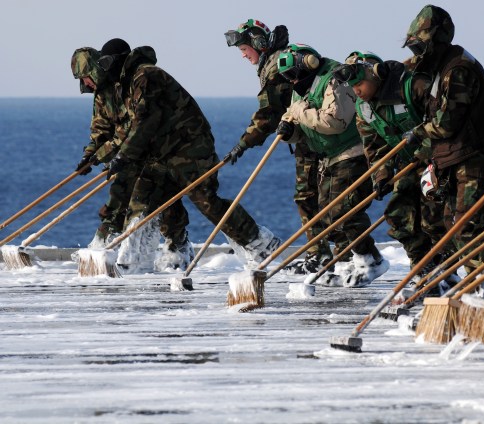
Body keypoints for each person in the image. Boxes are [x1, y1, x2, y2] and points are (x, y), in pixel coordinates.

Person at [96, 38, 281, 268]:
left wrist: (124, 156)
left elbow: (145, 122)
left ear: (118, 60)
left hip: (190, 147)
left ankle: (259, 243)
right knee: (147, 195)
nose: (105, 70)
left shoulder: (146, 76)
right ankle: (150, 256)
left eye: (105, 63)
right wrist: (116, 154)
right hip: (164, 151)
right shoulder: (129, 82)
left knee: (206, 201)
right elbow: (133, 125)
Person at [401, 5, 484, 296]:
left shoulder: (457, 68)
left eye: (419, 46)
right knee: (450, 221)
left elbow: (446, 124)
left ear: (436, 40)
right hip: (456, 155)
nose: (416, 54)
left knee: (468, 224)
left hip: (477, 156)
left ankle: (482, 286)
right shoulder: (443, 65)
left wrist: (419, 133)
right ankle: (482, 274)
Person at [332, 51, 455, 292]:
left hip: (438, 158)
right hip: (409, 163)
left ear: (374, 74)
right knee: (398, 214)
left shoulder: (410, 86)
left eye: (359, 83)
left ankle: (450, 264)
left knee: (435, 219)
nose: (356, 90)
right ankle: (423, 266)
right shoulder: (363, 108)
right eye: (352, 86)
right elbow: (375, 147)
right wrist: (382, 176)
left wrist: (426, 154)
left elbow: (443, 121)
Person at [275, 43, 389, 287]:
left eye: (294, 75)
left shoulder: (334, 80)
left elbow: (333, 122)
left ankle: (371, 259)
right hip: (328, 156)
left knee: (344, 210)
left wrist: (297, 110)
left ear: (309, 64)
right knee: (327, 214)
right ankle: (349, 260)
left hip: (352, 152)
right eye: (288, 78)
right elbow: (301, 122)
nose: (293, 82)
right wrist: (290, 131)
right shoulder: (302, 86)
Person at [70, 47, 193, 271]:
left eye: (86, 77)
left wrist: (102, 155)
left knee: (161, 200)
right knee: (119, 195)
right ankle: (107, 245)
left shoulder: (125, 85)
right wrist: (89, 155)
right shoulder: (101, 95)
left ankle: (176, 247)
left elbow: (130, 129)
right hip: (128, 154)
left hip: (153, 150)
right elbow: (101, 129)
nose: (86, 83)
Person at [223, 20, 331, 275]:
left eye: (244, 49)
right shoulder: (281, 59)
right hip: (316, 134)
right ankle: (328, 253)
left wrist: (243, 144)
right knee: (320, 196)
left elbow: (268, 114)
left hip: (313, 138)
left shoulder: (275, 67)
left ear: (258, 44)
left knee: (309, 197)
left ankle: (322, 255)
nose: (242, 55)